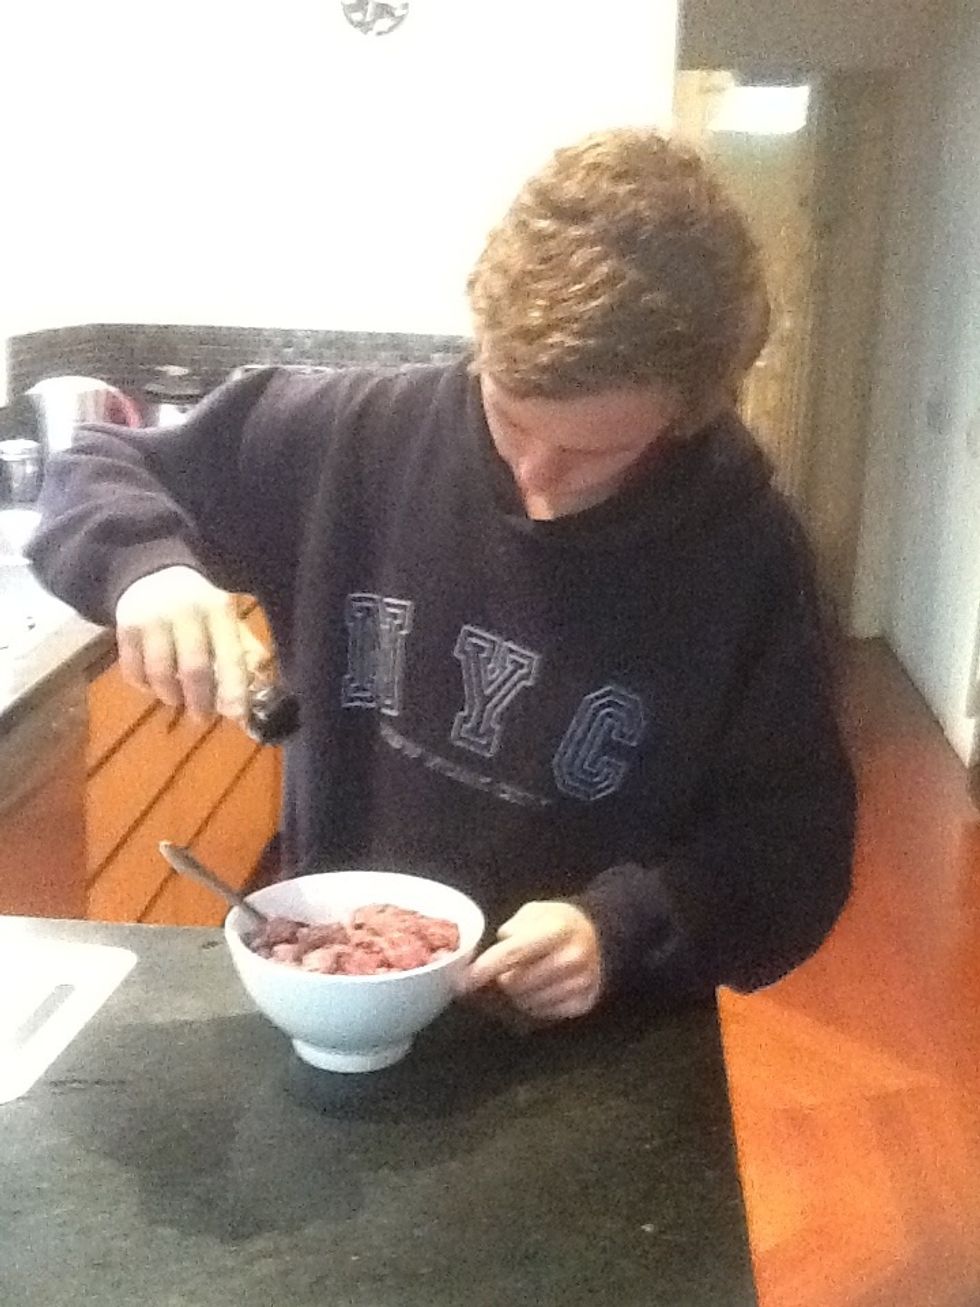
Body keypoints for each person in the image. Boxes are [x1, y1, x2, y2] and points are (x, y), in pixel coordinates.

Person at [27, 128, 856, 1023]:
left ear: (691, 413)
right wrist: (147, 571)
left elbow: (794, 854)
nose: (536, 479)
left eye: (594, 452)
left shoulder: (749, 559)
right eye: (507, 416)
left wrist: (622, 924)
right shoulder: (358, 434)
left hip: (595, 1039)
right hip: (347, 1002)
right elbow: (97, 466)